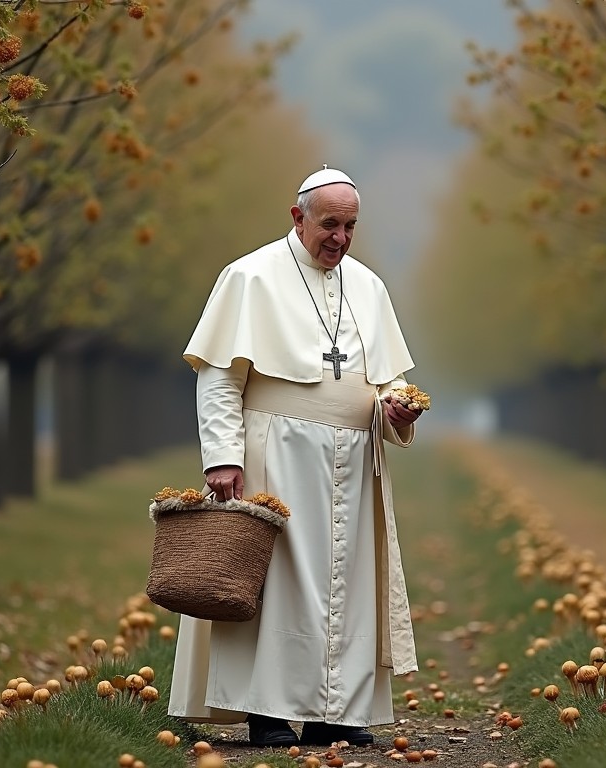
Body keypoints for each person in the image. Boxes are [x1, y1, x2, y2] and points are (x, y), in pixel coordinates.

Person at [167, 166, 424, 748]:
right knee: (274, 581)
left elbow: (387, 386)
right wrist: (222, 457)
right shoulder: (249, 276)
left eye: (350, 226)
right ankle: (268, 711)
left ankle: (340, 711)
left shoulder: (369, 287)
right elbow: (218, 378)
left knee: (349, 584)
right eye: (329, 224)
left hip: (354, 464)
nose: (339, 238)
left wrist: (395, 413)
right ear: (297, 217)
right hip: (272, 455)